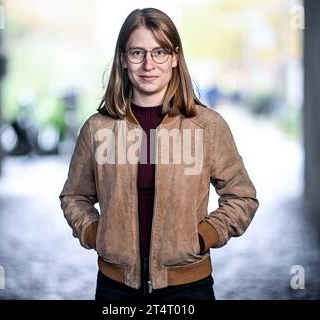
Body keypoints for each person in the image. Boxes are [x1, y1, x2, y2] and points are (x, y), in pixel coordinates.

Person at [59, 8, 259, 300]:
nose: (148, 64)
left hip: (189, 288)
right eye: (138, 52)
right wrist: (94, 232)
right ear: (123, 59)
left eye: (160, 52)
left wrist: (204, 236)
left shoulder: (207, 127)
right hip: (116, 289)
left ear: (175, 58)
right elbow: (74, 196)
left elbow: (243, 197)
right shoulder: (97, 129)